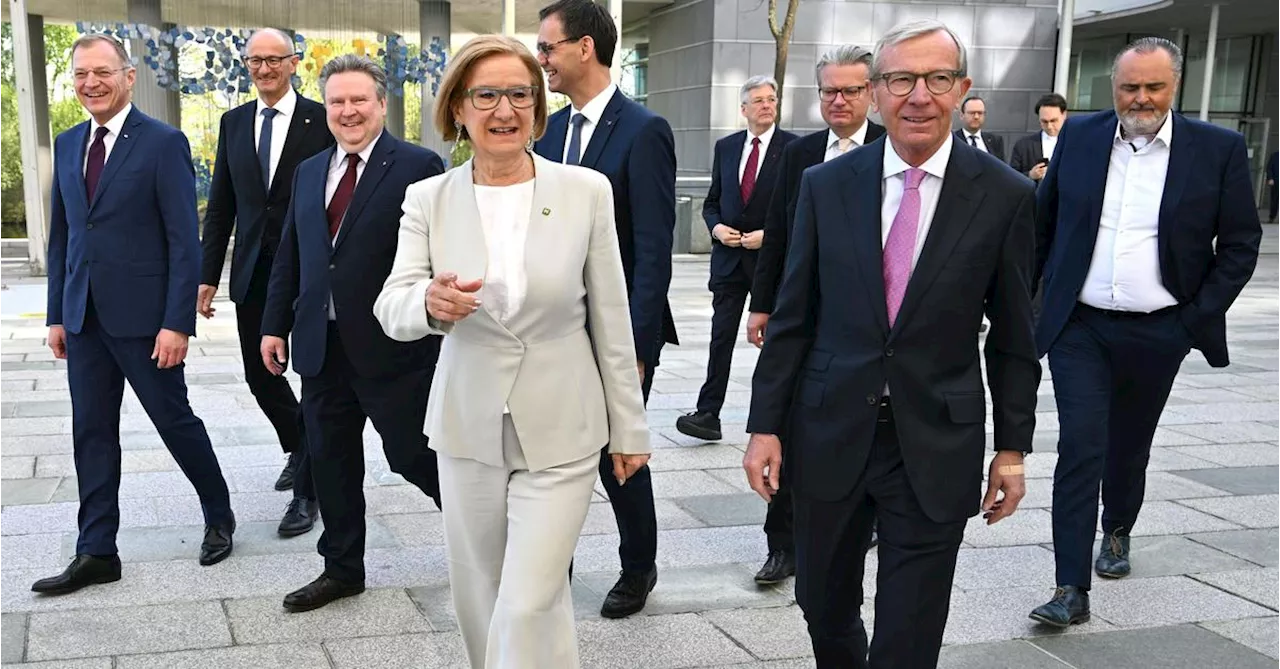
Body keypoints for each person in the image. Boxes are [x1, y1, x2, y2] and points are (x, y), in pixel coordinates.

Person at [743, 20, 1040, 668]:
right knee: (822, 603)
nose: (919, 96)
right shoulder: (826, 186)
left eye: (937, 79)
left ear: (961, 89)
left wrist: (1012, 448)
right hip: (829, 430)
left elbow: (1017, 337)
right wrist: (765, 425)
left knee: (910, 633)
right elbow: (793, 316)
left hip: (935, 441)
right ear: (877, 92)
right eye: (902, 79)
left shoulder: (1005, 196)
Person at [373, 34, 650, 669]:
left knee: (528, 599)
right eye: (487, 95)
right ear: (459, 110)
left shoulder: (585, 191)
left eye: (520, 94)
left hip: (563, 425)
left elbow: (612, 318)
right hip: (469, 423)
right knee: (483, 594)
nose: (505, 109)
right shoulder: (429, 198)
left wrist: (629, 427)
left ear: (538, 103)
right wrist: (428, 305)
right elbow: (393, 302)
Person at [1029, 37, 1262, 628]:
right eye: (1129, 87)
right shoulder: (1079, 138)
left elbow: (1240, 244)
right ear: (1114, 86)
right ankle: (1069, 587)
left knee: (1128, 446)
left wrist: (1192, 320)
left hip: (1161, 329)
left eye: (1153, 87)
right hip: (1079, 326)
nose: (1140, 98)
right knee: (1081, 445)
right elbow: (1044, 221)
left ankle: (1118, 528)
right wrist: (1033, 304)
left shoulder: (1218, 149)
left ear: (1174, 86)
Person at [34, 34, 236, 595]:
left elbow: (183, 239)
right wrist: (57, 314)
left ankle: (218, 514)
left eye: (102, 72)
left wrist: (177, 322)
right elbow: (63, 239)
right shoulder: (69, 141)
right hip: (85, 320)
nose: (90, 83)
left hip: (147, 322)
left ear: (128, 76)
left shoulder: (163, 143)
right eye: (80, 75)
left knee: (174, 422)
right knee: (91, 433)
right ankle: (96, 550)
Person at [260, 54, 445, 613]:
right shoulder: (310, 171)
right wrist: (274, 326)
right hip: (322, 348)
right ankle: (342, 568)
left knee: (416, 456)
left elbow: (437, 255)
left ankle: (501, 538)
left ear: (381, 104)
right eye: (337, 101)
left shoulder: (419, 165)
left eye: (359, 99)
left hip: (393, 347)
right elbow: (292, 253)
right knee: (332, 463)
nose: (347, 111)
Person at [532, 0, 677, 619]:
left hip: (615, 332)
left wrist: (635, 352)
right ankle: (550, 564)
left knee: (618, 453)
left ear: (585, 47)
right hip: (552, 330)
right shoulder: (551, 131)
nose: (542, 61)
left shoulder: (644, 131)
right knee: (548, 450)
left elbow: (653, 250)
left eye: (548, 48)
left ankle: (638, 565)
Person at [744, 44, 886, 585]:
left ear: (871, 93)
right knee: (782, 422)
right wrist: (763, 304)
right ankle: (782, 543)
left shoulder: (890, 149)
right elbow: (777, 234)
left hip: (866, 325)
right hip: (801, 318)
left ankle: (861, 518)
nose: (840, 100)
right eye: (830, 90)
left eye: (852, 90)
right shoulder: (798, 154)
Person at [199, 28, 334, 537]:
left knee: (315, 377)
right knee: (262, 375)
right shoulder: (234, 123)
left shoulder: (322, 119)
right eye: (255, 61)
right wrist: (207, 275)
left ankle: (308, 492)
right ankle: (301, 448)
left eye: (274, 60)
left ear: (294, 63)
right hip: (256, 271)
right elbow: (223, 206)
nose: (263, 69)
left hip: (311, 269)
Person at [675, 75, 796, 444]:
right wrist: (716, 229)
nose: (766, 105)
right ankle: (708, 414)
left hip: (770, 263)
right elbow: (712, 202)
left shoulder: (794, 148)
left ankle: (778, 418)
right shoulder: (726, 147)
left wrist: (771, 236)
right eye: (758, 100)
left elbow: (799, 208)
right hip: (728, 261)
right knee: (720, 338)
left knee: (776, 342)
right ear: (743, 109)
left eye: (771, 99)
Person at [1009, 92, 1067, 181]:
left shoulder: (1076, 143)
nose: (1049, 126)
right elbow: (1011, 177)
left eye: (1053, 120)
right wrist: (1030, 175)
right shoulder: (1023, 145)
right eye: (1044, 121)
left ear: (1064, 115)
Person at [954, 95, 1005, 161]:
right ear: (961, 115)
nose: (976, 117)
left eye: (980, 113)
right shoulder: (952, 140)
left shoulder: (995, 141)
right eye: (972, 113)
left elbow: (1001, 168)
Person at [1267, 149, 1278, 224]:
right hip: (1276, 181)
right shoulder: (1275, 156)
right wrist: (1270, 178)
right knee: (1274, 200)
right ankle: (1272, 217)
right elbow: (1269, 168)